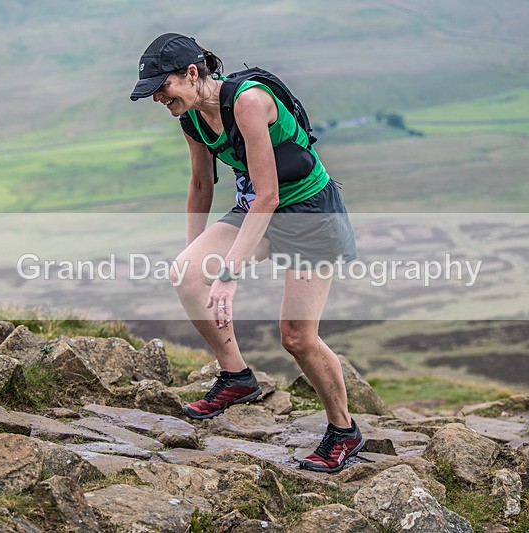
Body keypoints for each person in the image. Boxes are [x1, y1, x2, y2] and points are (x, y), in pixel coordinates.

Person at [130, 33, 365, 473]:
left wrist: (229, 273)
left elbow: (270, 194)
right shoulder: (192, 119)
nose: (159, 97)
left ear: (193, 73)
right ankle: (237, 377)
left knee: (297, 336)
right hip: (257, 207)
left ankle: (343, 431)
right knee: (186, 274)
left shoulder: (248, 102)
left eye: (164, 87)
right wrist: (196, 253)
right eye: (154, 92)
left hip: (309, 213)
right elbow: (202, 185)